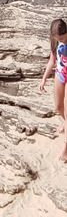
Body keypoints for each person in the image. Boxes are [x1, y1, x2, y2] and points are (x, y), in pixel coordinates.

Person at [39, 17, 67, 161]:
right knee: (58, 107)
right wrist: (44, 78)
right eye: (57, 38)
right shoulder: (54, 40)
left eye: (62, 38)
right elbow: (52, 60)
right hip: (61, 74)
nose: (60, 40)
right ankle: (64, 121)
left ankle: (65, 150)